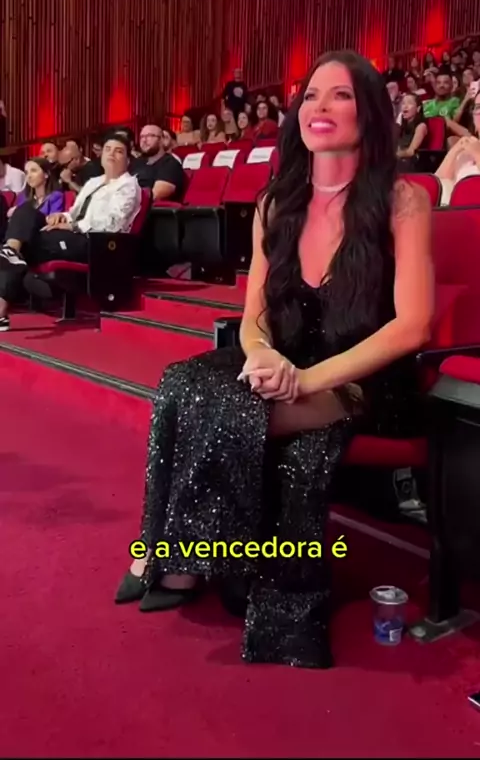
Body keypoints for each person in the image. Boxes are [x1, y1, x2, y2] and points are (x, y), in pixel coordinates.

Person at [114, 51, 433, 670]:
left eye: (340, 95)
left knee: (224, 407)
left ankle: (179, 555)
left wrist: (305, 378)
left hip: (364, 378)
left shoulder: (403, 201)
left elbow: (412, 325)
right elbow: (255, 315)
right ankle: (184, 550)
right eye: (311, 95)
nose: (320, 107)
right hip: (286, 359)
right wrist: (263, 357)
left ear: (369, 112)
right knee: (180, 381)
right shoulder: (275, 204)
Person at [0, 134, 141, 332]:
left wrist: (74, 226)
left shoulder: (129, 186)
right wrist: (61, 216)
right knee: (25, 211)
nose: (111, 154)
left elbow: (113, 223)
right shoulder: (94, 182)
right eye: (108, 149)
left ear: (127, 159)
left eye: (118, 151)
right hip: (73, 233)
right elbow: (74, 212)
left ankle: (8, 264)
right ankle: (11, 251)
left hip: (95, 243)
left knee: (25, 245)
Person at [435, 88, 480, 203]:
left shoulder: (473, 149)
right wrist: (455, 151)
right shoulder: (465, 148)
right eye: (478, 107)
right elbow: (437, 185)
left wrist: (477, 153)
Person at [132, 124, 184, 202]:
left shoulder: (170, 164)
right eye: (141, 137)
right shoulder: (136, 162)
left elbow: (155, 195)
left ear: (162, 140)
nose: (144, 140)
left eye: (149, 136)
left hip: (147, 207)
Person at [396, 95, 428, 168]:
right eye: (403, 103)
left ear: (418, 108)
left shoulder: (421, 126)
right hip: (400, 159)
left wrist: (395, 155)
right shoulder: (401, 127)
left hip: (414, 163)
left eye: (409, 103)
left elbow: (411, 152)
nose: (405, 106)